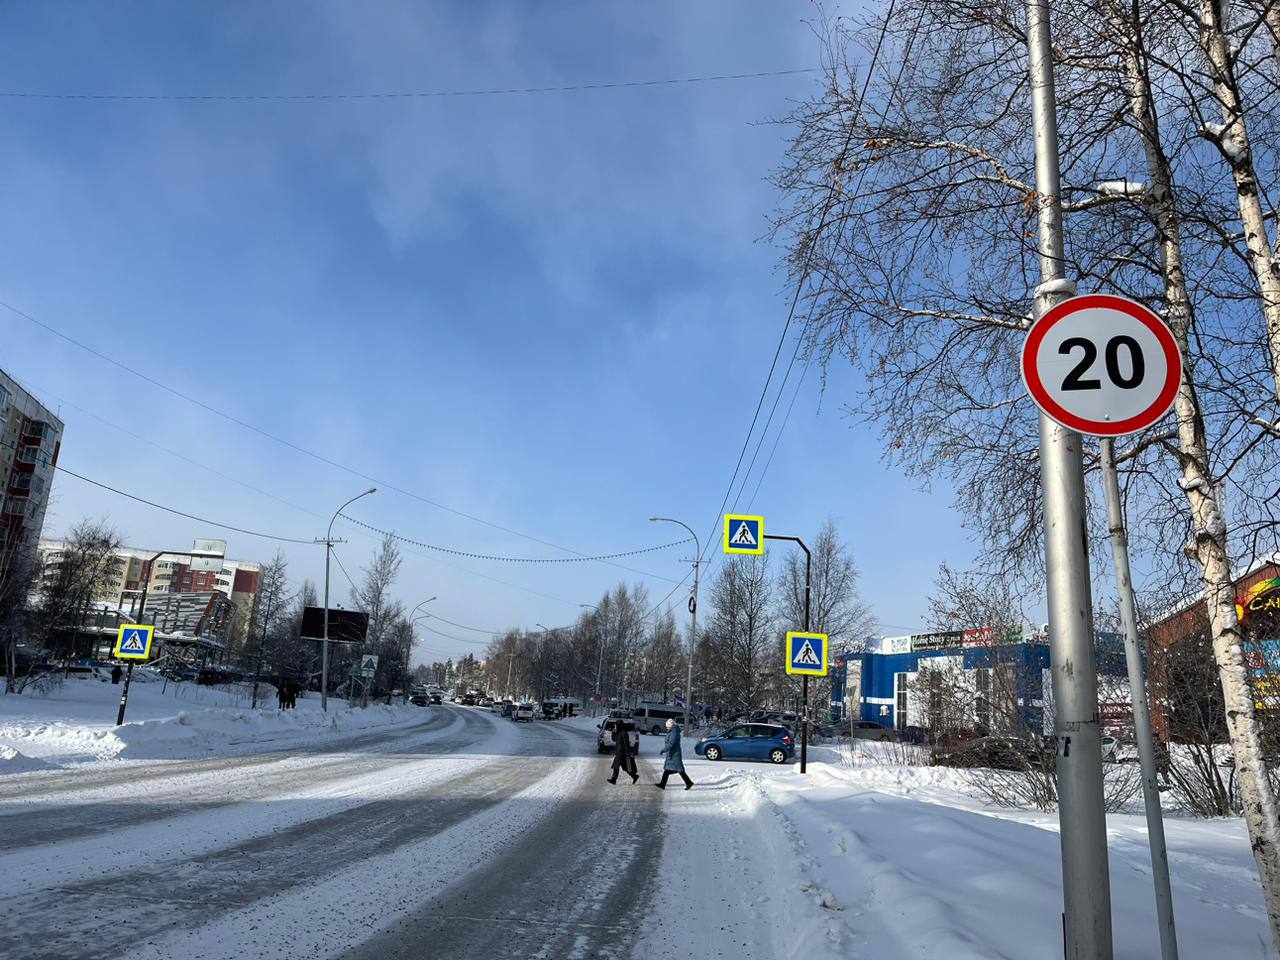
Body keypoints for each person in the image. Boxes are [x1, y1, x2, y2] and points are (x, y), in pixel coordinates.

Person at [655, 717, 693, 790]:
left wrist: (664, 750)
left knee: (677, 770)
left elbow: (671, 744)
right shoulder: (673, 732)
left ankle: (688, 783)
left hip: (675, 754)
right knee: (671, 770)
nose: (667, 728)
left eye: (668, 727)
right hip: (672, 754)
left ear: (671, 726)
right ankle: (688, 783)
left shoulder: (674, 733)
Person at [607, 719, 638, 784]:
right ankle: (634, 776)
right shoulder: (618, 732)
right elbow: (613, 739)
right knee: (625, 767)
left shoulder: (624, 733)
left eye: (617, 725)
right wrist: (614, 730)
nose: (616, 726)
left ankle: (614, 779)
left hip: (622, 753)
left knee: (616, 766)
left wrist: (627, 754)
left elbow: (627, 744)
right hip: (619, 752)